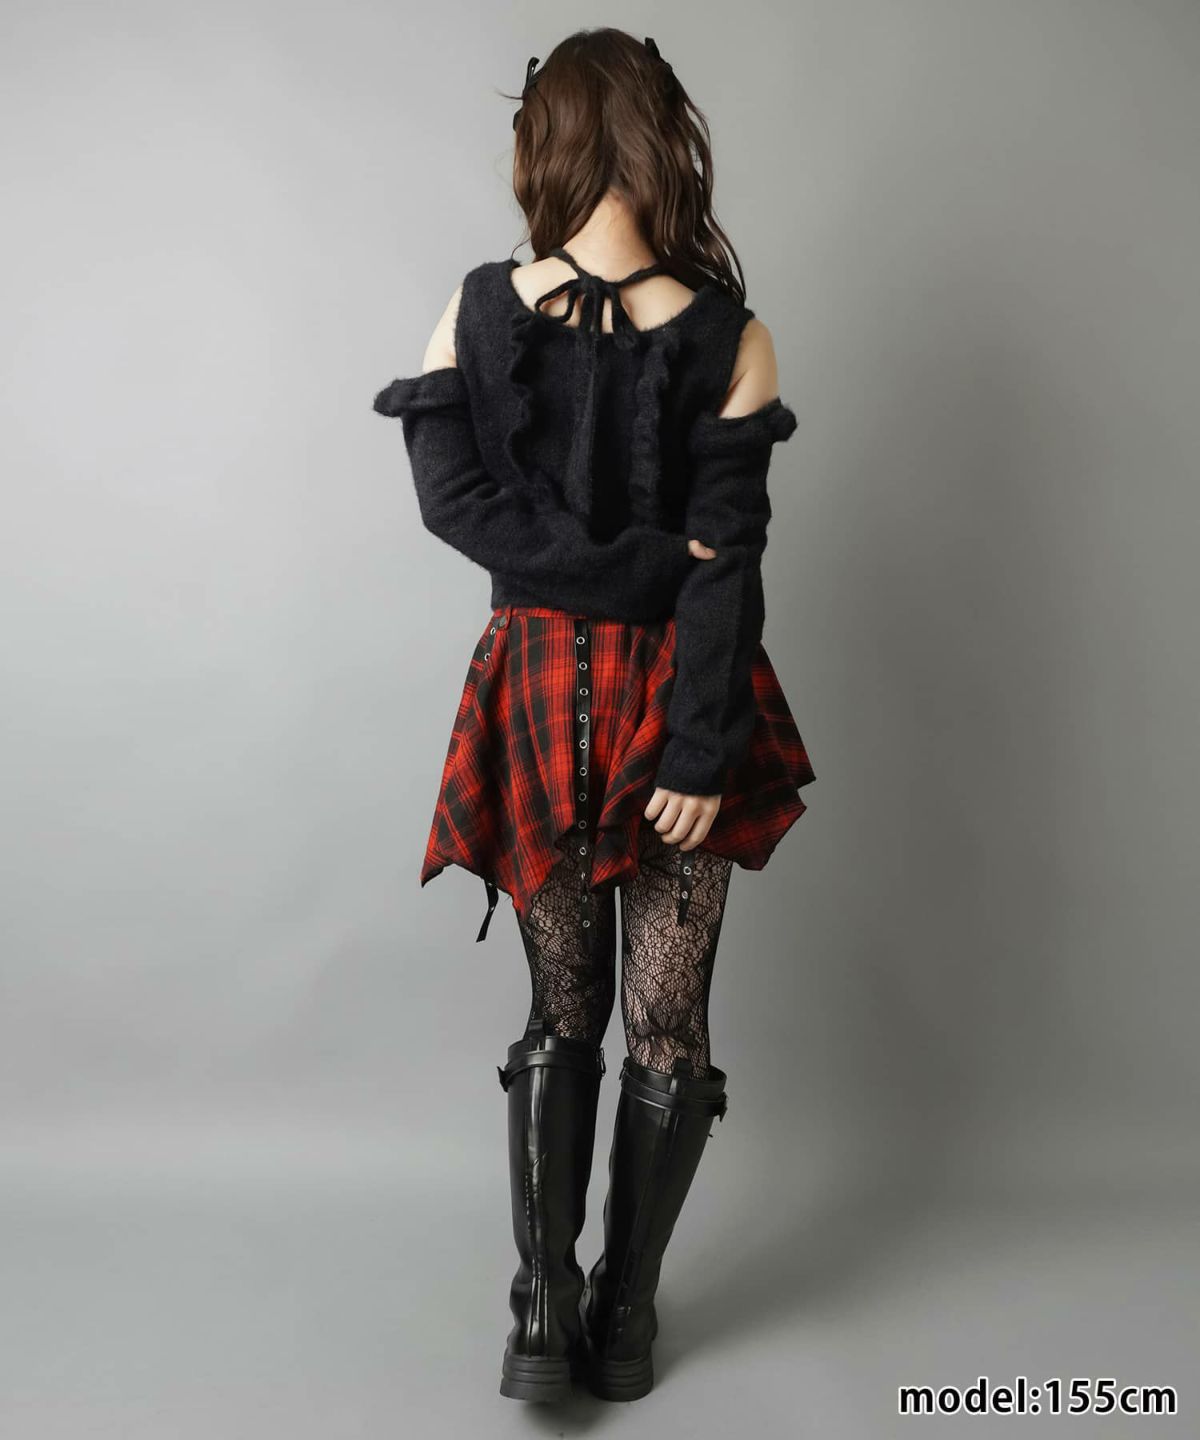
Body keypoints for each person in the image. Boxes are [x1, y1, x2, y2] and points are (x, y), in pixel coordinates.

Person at [373, 27, 816, 1405]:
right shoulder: (734, 334)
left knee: (567, 1007)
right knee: (663, 1020)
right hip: (680, 687)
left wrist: (648, 647)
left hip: (541, 690)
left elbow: (461, 510)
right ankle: (610, 1310)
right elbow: (718, 567)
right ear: (664, 139)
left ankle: (551, 1306)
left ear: (546, 143)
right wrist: (682, 677)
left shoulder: (473, 311)